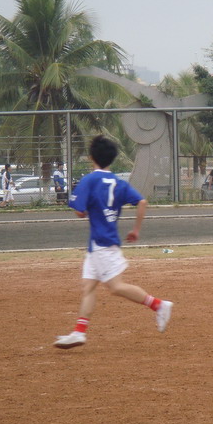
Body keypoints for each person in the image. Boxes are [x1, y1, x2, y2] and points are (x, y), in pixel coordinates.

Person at [54, 135, 173, 349]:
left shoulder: (89, 180)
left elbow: (80, 212)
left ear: (91, 157)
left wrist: (89, 208)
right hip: (99, 244)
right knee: (88, 287)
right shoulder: (119, 182)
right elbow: (142, 202)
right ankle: (79, 332)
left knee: (116, 287)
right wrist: (135, 230)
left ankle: (159, 305)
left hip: (102, 243)